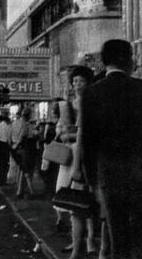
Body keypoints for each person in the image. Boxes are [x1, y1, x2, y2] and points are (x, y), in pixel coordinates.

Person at [78, 39, 142, 259]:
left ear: (105, 62)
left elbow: (87, 141)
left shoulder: (91, 93)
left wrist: (92, 180)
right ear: (127, 60)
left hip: (109, 176)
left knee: (118, 236)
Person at [56, 65, 98, 258]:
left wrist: (70, 132)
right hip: (70, 155)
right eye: (74, 81)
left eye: (81, 81)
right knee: (75, 202)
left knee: (85, 202)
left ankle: (88, 241)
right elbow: (62, 129)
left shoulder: (90, 102)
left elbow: (83, 133)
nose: (77, 84)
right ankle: (78, 242)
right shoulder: (69, 104)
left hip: (83, 154)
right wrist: (63, 131)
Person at [10, 105, 38, 199]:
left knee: (20, 169)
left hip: (15, 148)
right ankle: (22, 191)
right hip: (23, 148)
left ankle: (20, 189)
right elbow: (22, 136)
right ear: (28, 115)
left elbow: (10, 136)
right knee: (25, 170)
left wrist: (13, 146)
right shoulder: (25, 124)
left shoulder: (14, 123)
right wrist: (17, 144)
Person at [0, 113, 12, 185]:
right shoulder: (8, 126)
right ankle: (3, 180)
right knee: (5, 164)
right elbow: (9, 138)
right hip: (5, 146)